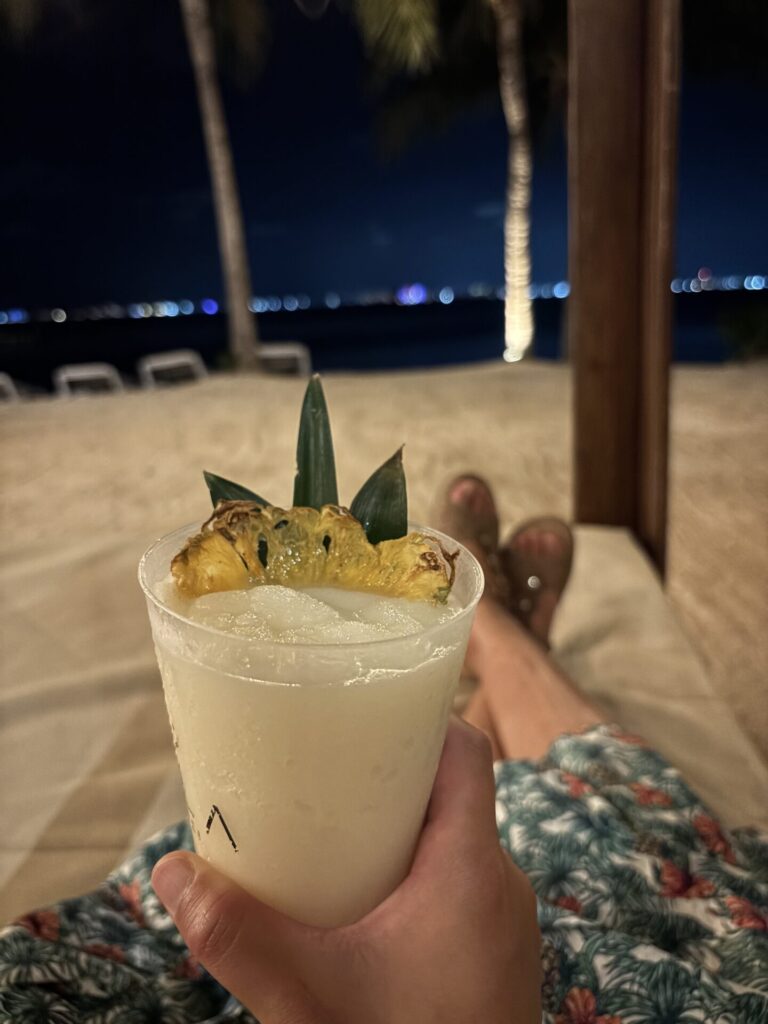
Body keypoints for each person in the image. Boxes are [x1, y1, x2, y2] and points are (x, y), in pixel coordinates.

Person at [1, 476, 766, 1022]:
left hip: (154, 957)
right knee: (604, 807)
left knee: (454, 770)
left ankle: (492, 633)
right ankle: (507, 640)